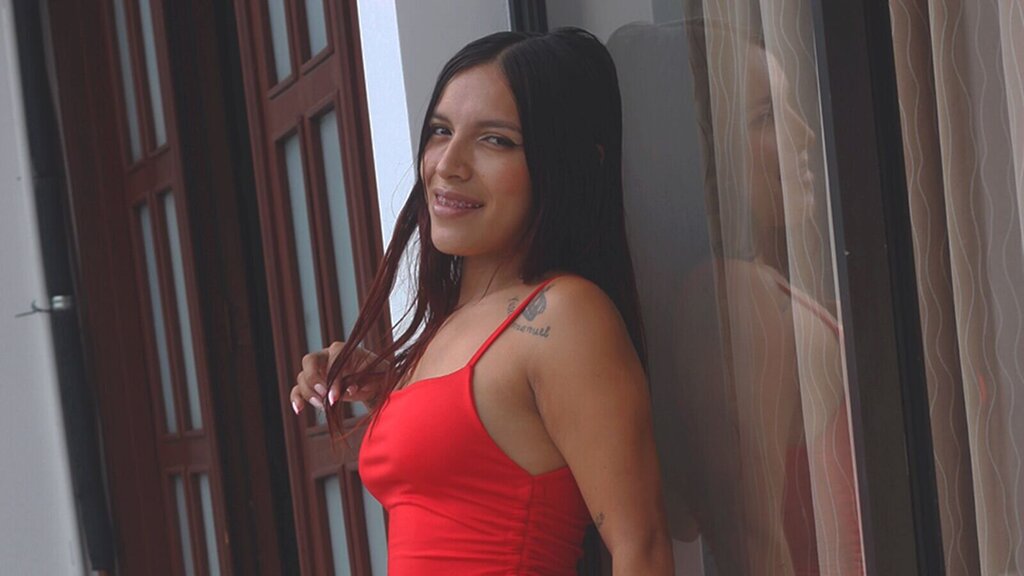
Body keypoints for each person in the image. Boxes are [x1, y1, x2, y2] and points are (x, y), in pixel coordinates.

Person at [290, 28, 673, 575]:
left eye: (496, 140)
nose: (449, 164)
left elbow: (644, 546)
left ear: (566, 163)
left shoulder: (564, 315)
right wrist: (391, 387)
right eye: (440, 131)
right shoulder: (452, 325)